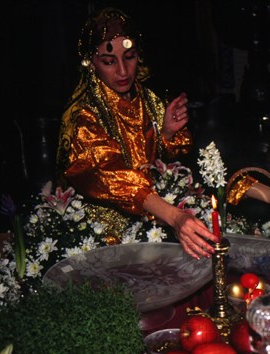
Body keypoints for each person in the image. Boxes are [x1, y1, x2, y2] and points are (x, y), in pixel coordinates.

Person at [56, 7, 217, 259]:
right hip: (103, 235)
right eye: (109, 61)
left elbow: (153, 162)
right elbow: (110, 174)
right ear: (90, 62)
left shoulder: (147, 99)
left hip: (155, 218)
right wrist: (175, 217)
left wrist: (164, 134)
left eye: (129, 57)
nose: (122, 71)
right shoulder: (84, 115)